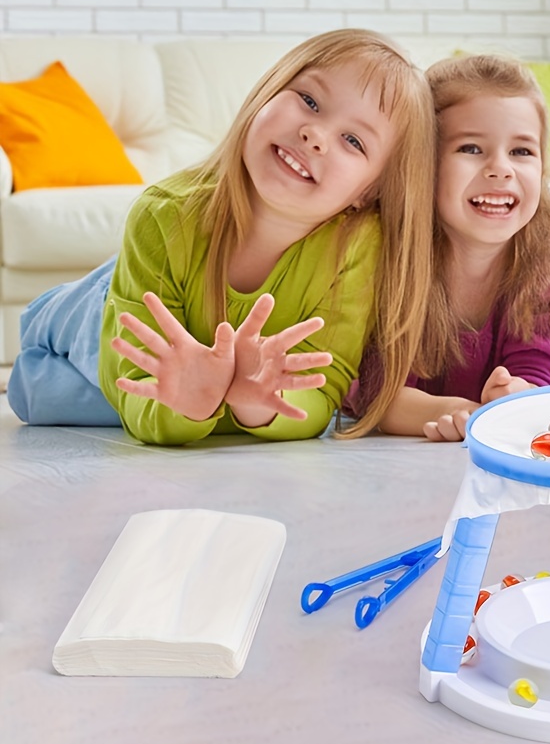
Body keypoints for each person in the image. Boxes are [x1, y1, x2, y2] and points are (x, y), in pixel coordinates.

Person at [8, 29, 436, 445]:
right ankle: (53, 310)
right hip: (102, 305)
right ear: (269, 91)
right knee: (86, 347)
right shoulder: (163, 214)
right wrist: (196, 401)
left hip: (193, 360)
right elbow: (138, 378)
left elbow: (324, 391)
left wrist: (254, 404)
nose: (315, 135)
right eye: (308, 100)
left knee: (36, 397)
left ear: (370, 192)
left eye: (353, 140)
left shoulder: (358, 245)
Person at [352, 54, 550, 442]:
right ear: (422, 163)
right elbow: (377, 395)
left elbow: (536, 376)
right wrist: (462, 413)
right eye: (471, 148)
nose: (501, 169)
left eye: (521, 152)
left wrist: (518, 395)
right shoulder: (385, 251)